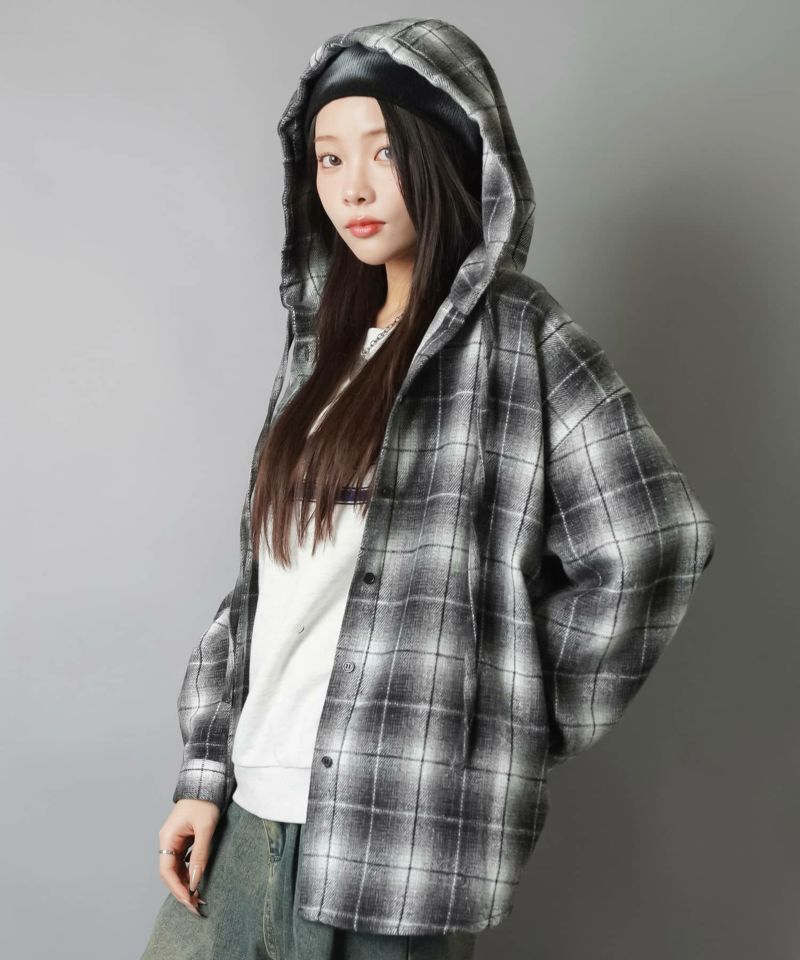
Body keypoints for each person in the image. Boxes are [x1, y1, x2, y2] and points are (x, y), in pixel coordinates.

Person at [140, 17, 716, 960]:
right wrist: (205, 775)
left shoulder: (522, 337)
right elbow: (263, 589)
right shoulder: (318, 352)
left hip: (393, 846)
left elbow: (654, 538)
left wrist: (504, 715)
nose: (352, 188)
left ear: (445, 152)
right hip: (246, 823)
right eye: (329, 159)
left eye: (382, 152)